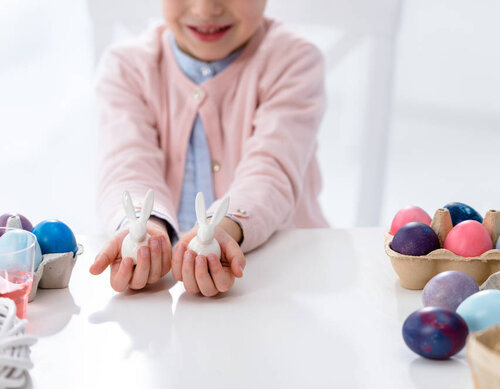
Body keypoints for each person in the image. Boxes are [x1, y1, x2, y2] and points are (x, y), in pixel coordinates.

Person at [89, 0, 328, 296]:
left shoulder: (295, 61)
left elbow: (270, 171)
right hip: (165, 293)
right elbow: (127, 166)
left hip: (287, 282)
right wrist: (143, 226)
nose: (205, 9)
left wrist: (224, 228)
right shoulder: (126, 68)